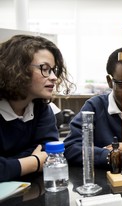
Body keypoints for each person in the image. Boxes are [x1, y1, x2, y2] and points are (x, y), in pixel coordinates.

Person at [0, 35, 73, 182]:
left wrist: (8, 164)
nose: (54, 77)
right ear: (16, 68)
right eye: (45, 69)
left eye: (53, 70)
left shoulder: (42, 108)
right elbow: (42, 159)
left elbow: (49, 152)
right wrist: (34, 162)